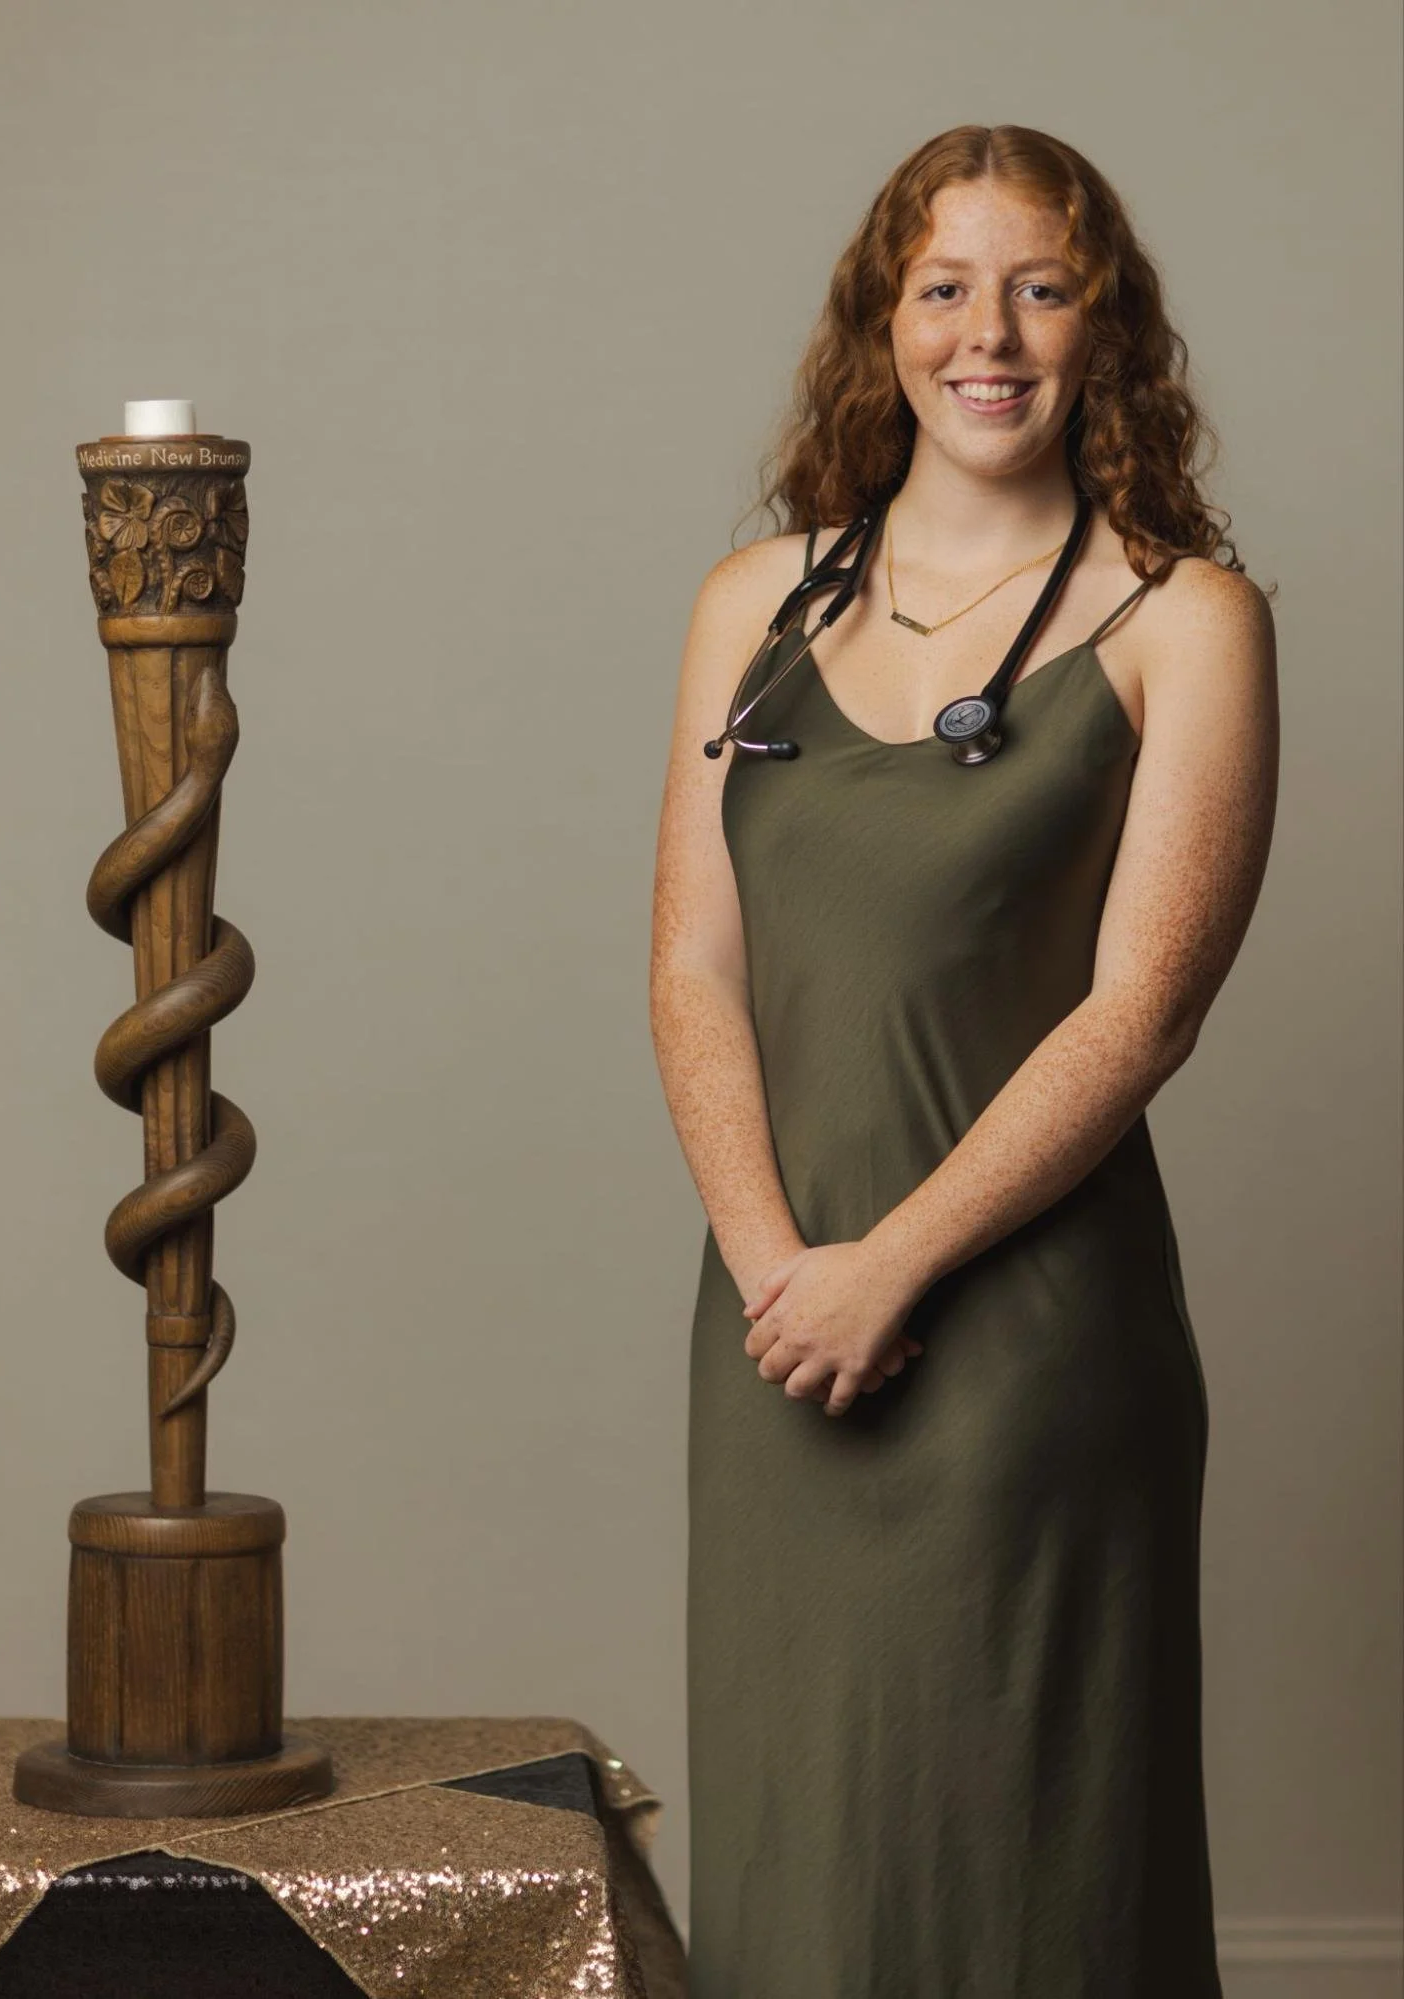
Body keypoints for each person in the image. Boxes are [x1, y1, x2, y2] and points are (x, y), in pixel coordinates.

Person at [649, 123, 1278, 1997]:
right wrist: (776, 1267)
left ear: (1104, 327)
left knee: (1026, 1883)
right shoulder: (751, 605)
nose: (985, 335)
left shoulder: (1184, 621)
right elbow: (692, 960)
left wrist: (889, 1267)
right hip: (775, 1335)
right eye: (943, 288)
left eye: (1040, 288)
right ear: (883, 321)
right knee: (802, 1859)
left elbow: (1143, 1010)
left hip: (1021, 1350)